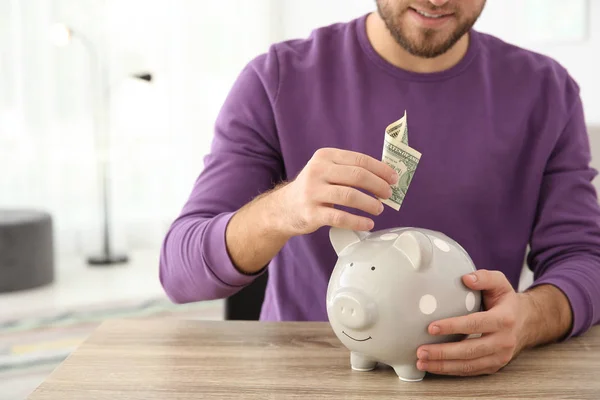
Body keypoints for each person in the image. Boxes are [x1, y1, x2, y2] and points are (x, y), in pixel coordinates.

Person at [159, 0, 600, 377]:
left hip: (477, 381)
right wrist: (283, 209)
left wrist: (530, 318)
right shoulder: (276, 78)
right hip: (306, 379)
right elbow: (180, 273)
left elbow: (585, 259)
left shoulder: (546, 91)